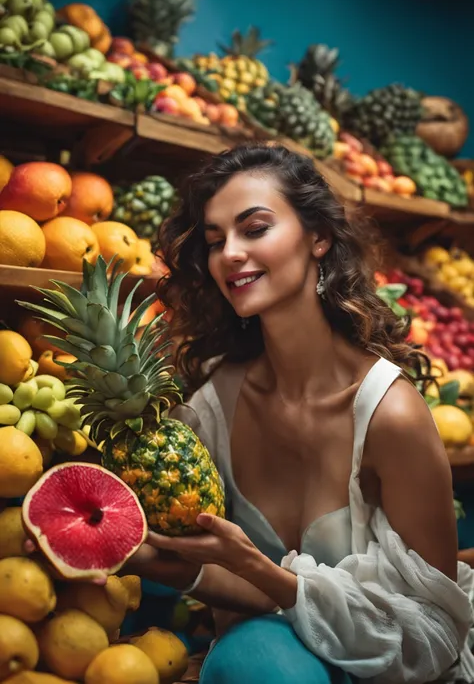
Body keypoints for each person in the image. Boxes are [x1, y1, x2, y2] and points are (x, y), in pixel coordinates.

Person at [128, 143, 474, 684]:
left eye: (255, 228)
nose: (230, 254)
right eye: (216, 241)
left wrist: (259, 571)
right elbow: (242, 592)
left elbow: (434, 635)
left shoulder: (390, 415)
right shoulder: (212, 403)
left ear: (319, 237)